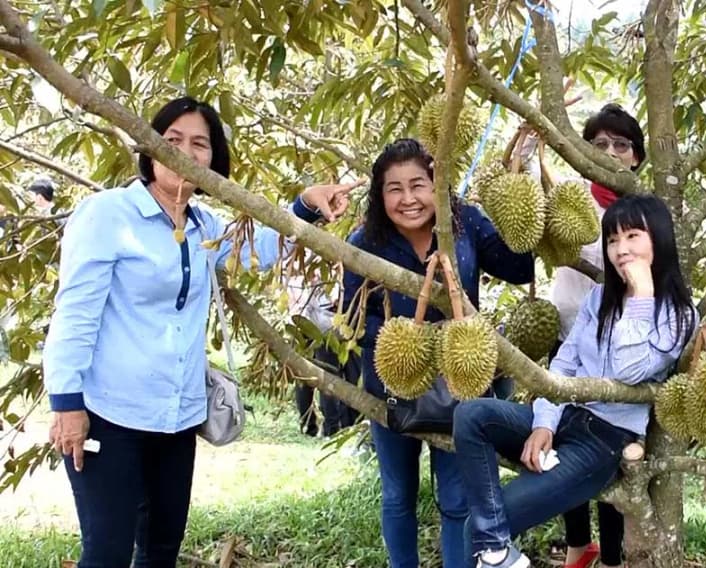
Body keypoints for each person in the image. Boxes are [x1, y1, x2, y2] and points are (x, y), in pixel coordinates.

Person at [43, 96, 356, 568]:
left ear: (214, 158)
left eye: (200, 144)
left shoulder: (203, 226)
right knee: (105, 554)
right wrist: (66, 405)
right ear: (149, 147)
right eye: (172, 140)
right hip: (110, 414)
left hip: (177, 417)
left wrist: (306, 206)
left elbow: (259, 248)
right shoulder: (107, 215)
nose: (185, 152)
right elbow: (75, 314)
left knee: (160, 551)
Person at [454, 194, 698, 568]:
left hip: (604, 441)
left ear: (659, 240)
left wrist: (642, 297)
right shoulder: (599, 297)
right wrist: (544, 423)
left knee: (479, 527)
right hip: (565, 416)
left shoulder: (678, 315)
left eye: (633, 236)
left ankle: (493, 548)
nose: (620, 249)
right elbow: (563, 365)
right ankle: (498, 552)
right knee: (472, 415)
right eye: (613, 240)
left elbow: (628, 371)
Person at [340, 139, 534, 568]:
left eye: (419, 185)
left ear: (438, 186)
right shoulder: (363, 242)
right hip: (390, 390)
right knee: (396, 495)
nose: (408, 199)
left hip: (458, 390)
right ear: (380, 195)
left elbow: (520, 267)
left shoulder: (463, 222)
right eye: (395, 189)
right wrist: (416, 336)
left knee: (457, 497)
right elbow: (351, 320)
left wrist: (520, 183)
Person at [546, 103, 647, 568]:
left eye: (621, 144)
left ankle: (611, 558)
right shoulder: (568, 198)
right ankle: (576, 547)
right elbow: (532, 219)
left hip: (620, 350)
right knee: (565, 444)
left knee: (611, 454)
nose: (609, 152)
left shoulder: (646, 216)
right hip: (566, 337)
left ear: (637, 158)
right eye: (598, 144)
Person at [288, 268, 357, 438]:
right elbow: (334, 298)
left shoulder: (297, 261)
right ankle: (331, 427)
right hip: (325, 327)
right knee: (327, 375)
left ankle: (310, 426)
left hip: (303, 321)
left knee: (308, 375)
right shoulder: (327, 269)